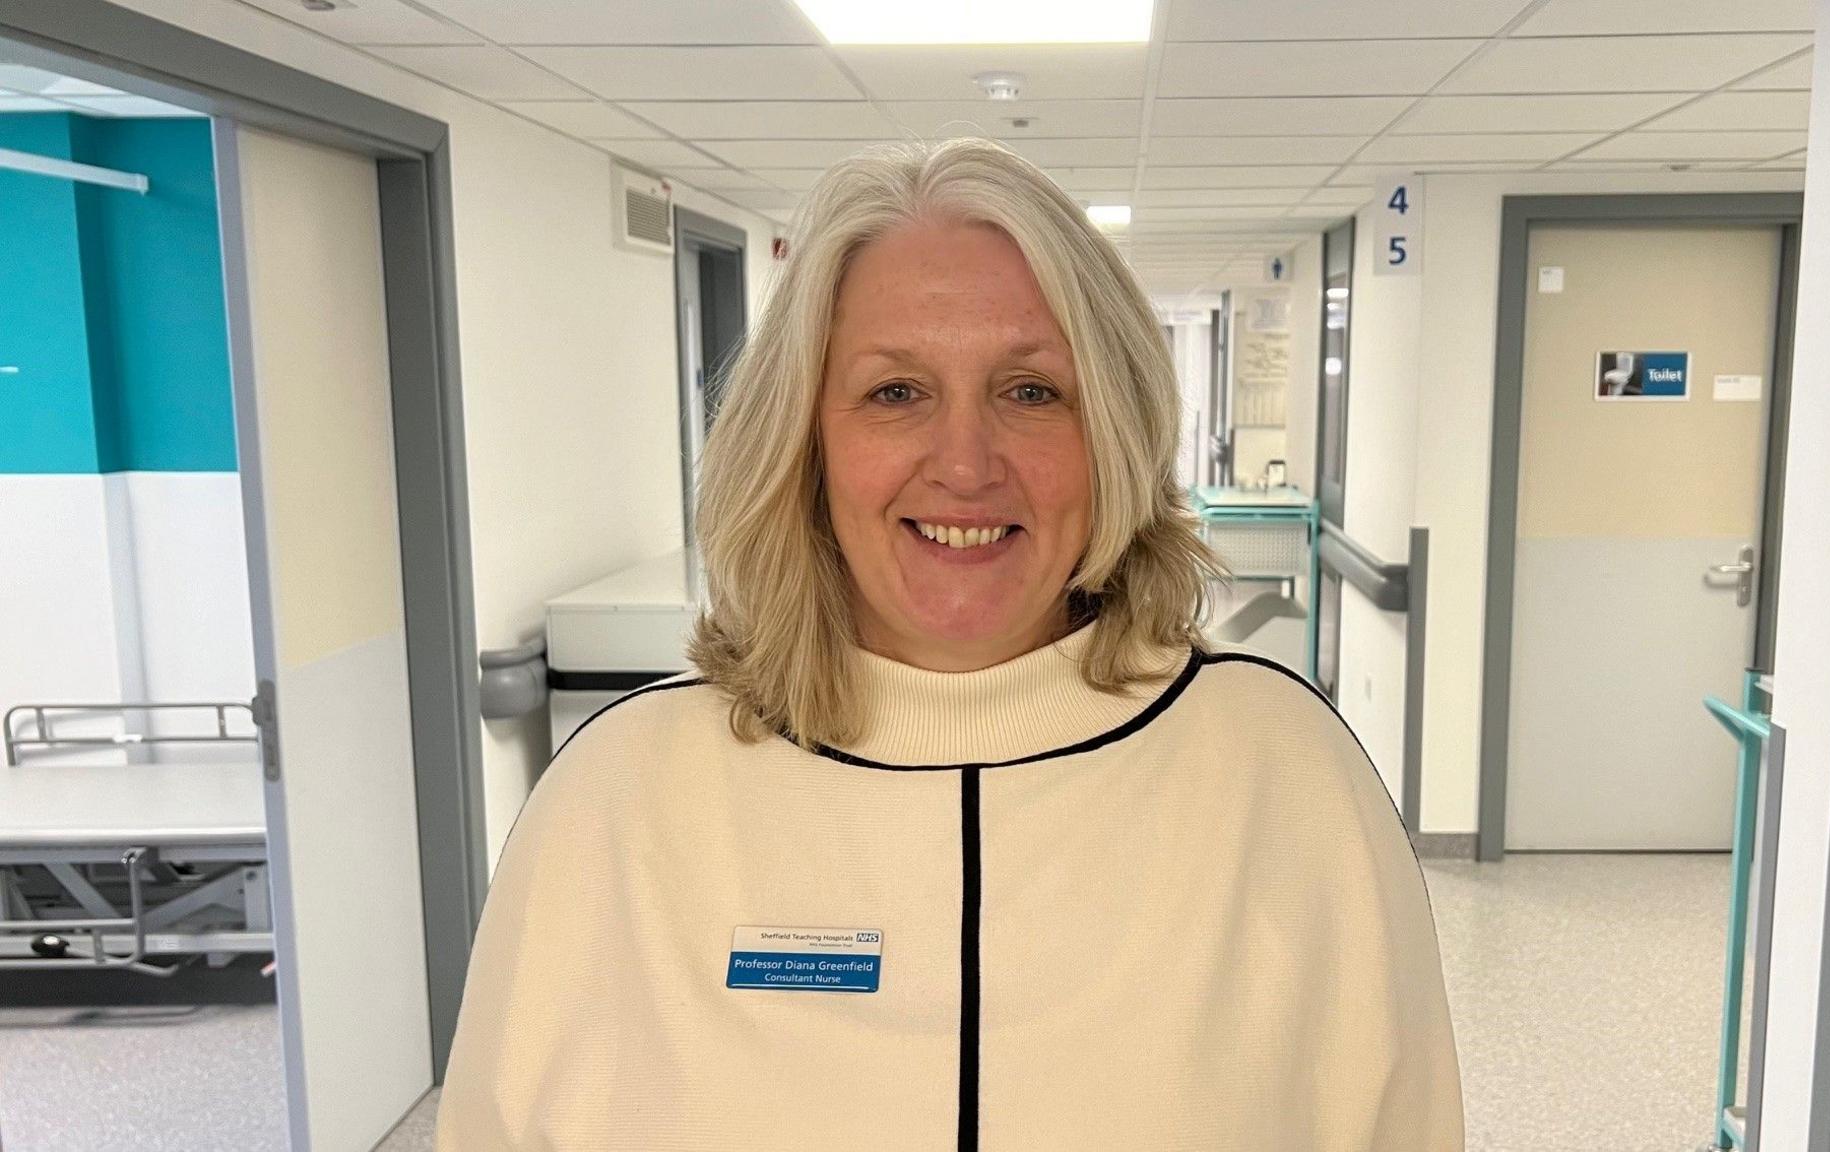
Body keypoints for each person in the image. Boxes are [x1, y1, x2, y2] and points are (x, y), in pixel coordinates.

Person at [435, 137, 1462, 1150]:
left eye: (1029, 392)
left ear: (1111, 433)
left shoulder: (1281, 779)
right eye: (895, 392)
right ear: (802, 441)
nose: (965, 466)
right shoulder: (619, 802)